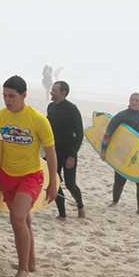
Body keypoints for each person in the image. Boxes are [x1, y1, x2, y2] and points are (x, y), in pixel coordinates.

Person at [0, 75, 58, 277]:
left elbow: (51, 153)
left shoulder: (37, 119)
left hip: (31, 176)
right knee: (24, 220)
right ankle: (31, 262)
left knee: (17, 219)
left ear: (24, 96)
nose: (7, 101)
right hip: (7, 176)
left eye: (12, 96)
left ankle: (22, 270)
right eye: (4, 96)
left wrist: (53, 183)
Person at [102, 93, 139, 216]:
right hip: (124, 152)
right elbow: (108, 132)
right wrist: (103, 150)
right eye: (132, 100)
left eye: (137, 100)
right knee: (119, 180)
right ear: (129, 101)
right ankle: (115, 201)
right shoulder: (122, 115)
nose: (134, 102)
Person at [46, 81, 85, 221]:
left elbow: (80, 134)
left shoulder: (72, 109)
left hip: (68, 153)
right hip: (53, 152)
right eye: (51, 90)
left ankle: (80, 205)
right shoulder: (51, 107)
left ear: (63, 93)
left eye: (54, 90)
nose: (51, 92)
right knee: (54, 182)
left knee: (70, 184)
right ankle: (62, 214)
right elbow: (47, 129)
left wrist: (72, 156)